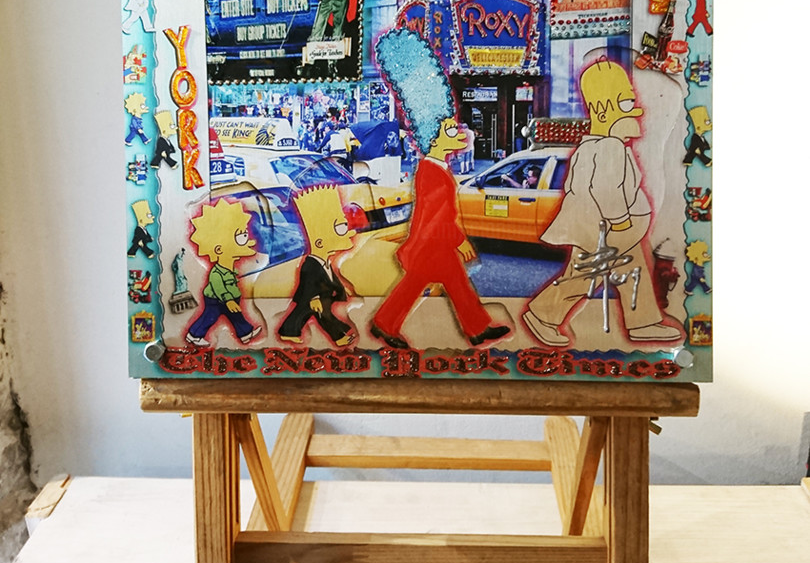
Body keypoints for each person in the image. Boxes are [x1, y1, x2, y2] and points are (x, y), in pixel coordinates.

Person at [522, 59, 683, 346]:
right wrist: (620, 222)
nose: (636, 110)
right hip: (608, 230)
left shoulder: (596, 146)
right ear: (602, 109)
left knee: (632, 272)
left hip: (611, 230)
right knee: (584, 276)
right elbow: (606, 190)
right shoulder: (608, 147)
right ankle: (543, 316)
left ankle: (643, 322)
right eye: (626, 103)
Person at [371, 28, 511, 350]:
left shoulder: (435, 168)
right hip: (431, 244)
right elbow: (438, 215)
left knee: (453, 284)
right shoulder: (432, 173)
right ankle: (385, 323)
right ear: (434, 137)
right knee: (417, 285)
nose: (458, 133)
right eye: (450, 129)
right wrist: (459, 239)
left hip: (434, 244)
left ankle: (476, 329)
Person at [277, 185, 357, 348]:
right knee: (321, 314)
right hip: (312, 296)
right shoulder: (311, 265)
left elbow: (331, 278)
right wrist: (313, 298)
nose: (350, 232)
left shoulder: (324, 262)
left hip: (319, 296)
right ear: (319, 242)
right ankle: (338, 337)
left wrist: (342, 289)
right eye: (340, 228)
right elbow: (308, 283)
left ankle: (288, 331)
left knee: (302, 313)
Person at [185, 199, 263, 346]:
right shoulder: (216, 273)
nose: (249, 241)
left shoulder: (229, 270)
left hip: (230, 298)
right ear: (219, 249)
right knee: (210, 317)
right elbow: (218, 287)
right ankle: (194, 335)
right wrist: (228, 300)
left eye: (245, 234)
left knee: (236, 316)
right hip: (216, 300)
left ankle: (245, 333)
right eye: (241, 236)